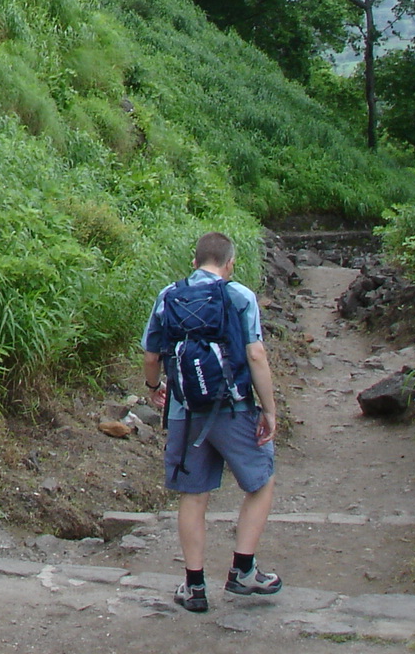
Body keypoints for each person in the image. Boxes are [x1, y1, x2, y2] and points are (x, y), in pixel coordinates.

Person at [142, 231, 281, 613]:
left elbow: (152, 356)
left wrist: (154, 388)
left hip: (185, 411)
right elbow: (255, 355)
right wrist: (268, 409)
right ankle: (243, 570)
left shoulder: (168, 295)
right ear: (230, 263)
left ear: (194, 260)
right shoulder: (240, 296)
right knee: (261, 481)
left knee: (194, 495)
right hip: (233, 408)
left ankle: (194, 587)